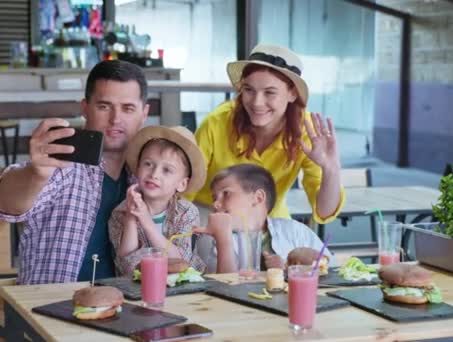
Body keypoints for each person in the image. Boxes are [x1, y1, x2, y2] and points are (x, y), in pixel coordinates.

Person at [0, 60, 149, 284]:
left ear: (144, 113)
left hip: (122, 306)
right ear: (85, 108)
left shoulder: (145, 176)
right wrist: (35, 175)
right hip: (51, 306)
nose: (116, 119)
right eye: (104, 106)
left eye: (128, 108)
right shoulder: (60, 162)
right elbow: (6, 206)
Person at [188, 44, 344, 225]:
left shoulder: (307, 133)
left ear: (292, 93)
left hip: (270, 221)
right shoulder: (217, 122)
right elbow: (187, 188)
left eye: (270, 92)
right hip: (212, 214)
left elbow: (324, 211)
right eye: (248, 90)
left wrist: (331, 169)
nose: (257, 102)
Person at [194, 164, 331, 273]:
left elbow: (330, 271)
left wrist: (289, 269)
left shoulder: (295, 231)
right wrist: (223, 238)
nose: (215, 204)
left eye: (226, 194)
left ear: (258, 198)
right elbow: (223, 287)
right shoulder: (220, 241)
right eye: (214, 198)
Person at [108, 126, 207, 276]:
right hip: (136, 289)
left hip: (183, 287)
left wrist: (147, 222)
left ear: (182, 184)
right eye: (148, 164)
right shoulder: (120, 212)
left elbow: (180, 262)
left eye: (167, 170)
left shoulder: (187, 212)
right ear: (138, 167)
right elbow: (126, 266)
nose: (154, 174)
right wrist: (130, 218)